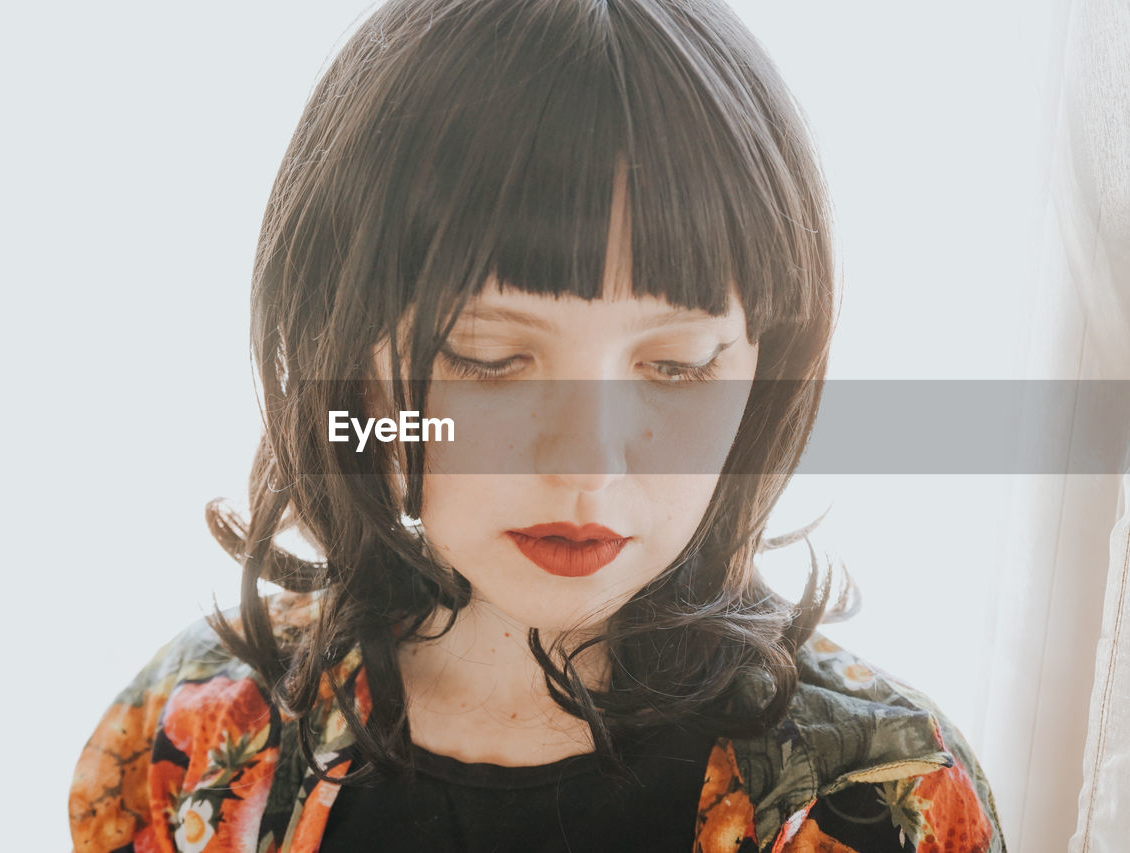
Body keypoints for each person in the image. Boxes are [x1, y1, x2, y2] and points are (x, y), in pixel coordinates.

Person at [68, 0, 1005, 850]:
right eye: (486, 358)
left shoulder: (878, 802)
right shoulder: (189, 737)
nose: (586, 468)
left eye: (675, 368)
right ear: (347, 349)